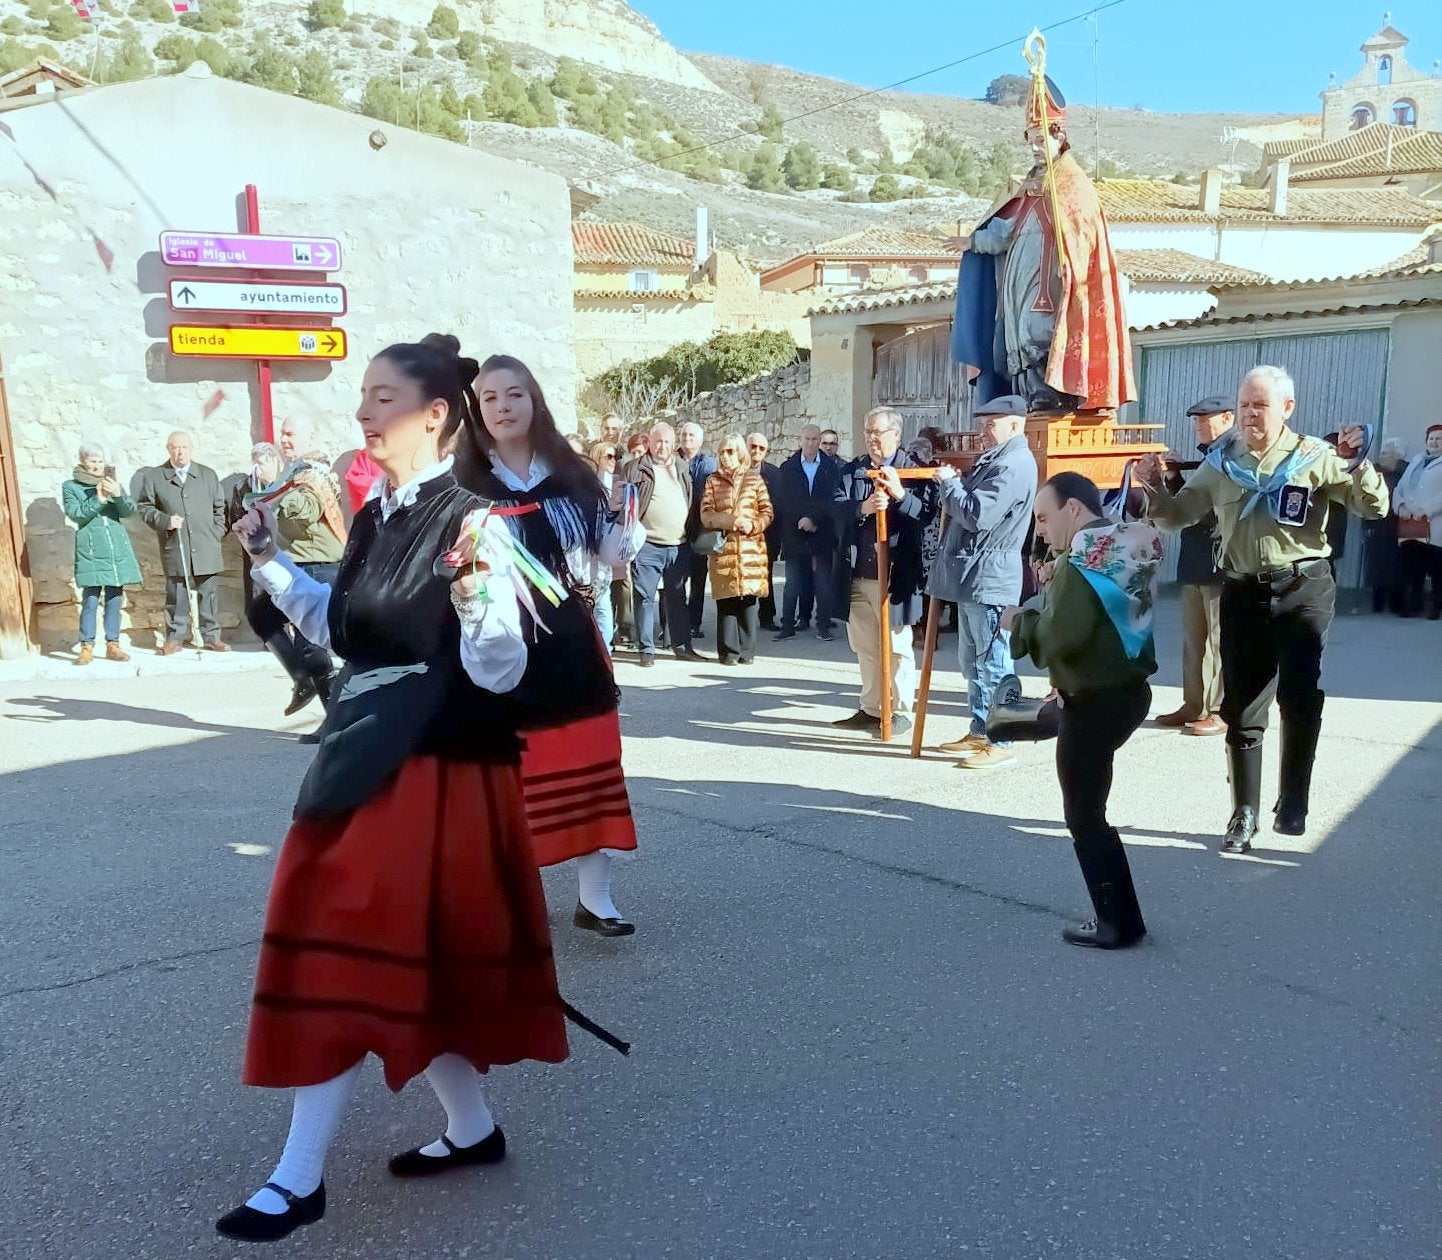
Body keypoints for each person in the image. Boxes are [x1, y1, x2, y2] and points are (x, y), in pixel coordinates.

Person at [218, 334, 570, 1244]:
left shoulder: (478, 523)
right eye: (364, 396)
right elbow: (348, 631)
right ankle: (473, 1129)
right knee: (423, 967)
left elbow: (498, 674)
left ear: (434, 415)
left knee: (338, 952)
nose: (363, 412)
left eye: (381, 397)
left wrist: (477, 607)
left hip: (438, 776)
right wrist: (265, 561)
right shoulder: (376, 514)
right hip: (365, 762)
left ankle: (299, 1178)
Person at [1137, 365, 1389, 851]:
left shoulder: (1314, 456)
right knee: (1243, 705)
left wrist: (1359, 464)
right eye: (1246, 404)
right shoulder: (1221, 462)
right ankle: (1244, 813)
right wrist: (1153, 487)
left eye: (1262, 405)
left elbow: (1372, 507)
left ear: (1287, 408)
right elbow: (1176, 516)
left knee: (1298, 696)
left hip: (1304, 587)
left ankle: (1293, 799)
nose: (1251, 414)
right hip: (1243, 590)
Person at [458, 356, 644, 934]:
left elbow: (609, 557)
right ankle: (512, 902)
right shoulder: (464, 487)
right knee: (514, 772)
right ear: (477, 410)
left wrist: (627, 535)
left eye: (515, 394)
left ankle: (596, 898)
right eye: (490, 398)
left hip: (568, 634)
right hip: (500, 637)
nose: (504, 406)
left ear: (535, 401)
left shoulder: (574, 475)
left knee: (590, 760)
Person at [1003, 472, 1161, 948]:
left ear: (1073, 508)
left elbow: (1062, 637)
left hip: (1094, 700)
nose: (1041, 530)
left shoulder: (1081, 560)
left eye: (1044, 518)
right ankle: (1122, 917)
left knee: (1085, 816)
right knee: (1091, 803)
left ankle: (1116, 922)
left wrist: (1022, 621)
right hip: (1128, 692)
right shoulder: (1123, 541)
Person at [953, 67, 1133, 412]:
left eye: (1041, 140)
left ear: (1059, 137)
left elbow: (1081, 237)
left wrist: (1072, 272)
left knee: (1040, 337)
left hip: (1050, 285)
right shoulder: (1031, 184)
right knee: (1017, 339)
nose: (1036, 148)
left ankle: (1050, 396)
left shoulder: (1074, 185)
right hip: (1018, 285)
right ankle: (1025, 398)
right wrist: (973, 242)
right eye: (1031, 141)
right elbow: (1007, 229)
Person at [928, 395, 1038, 770]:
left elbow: (978, 515)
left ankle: (1003, 737)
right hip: (975, 574)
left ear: (1013, 425)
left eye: (990, 424)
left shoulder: (1013, 464)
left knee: (992, 662)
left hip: (990, 575)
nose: (982, 430)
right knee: (972, 662)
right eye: (983, 423)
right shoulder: (999, 460)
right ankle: (980, 729)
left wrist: (949, 485)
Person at [831, 406, 936, 737]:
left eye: (878, 433)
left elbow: (927, 514)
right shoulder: (854, 470)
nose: (872, 439)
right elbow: (834, 508)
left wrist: (900, 495)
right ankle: (873, 707)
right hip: (858, 573)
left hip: (895, 577)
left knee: (897, 646)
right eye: (867, 433)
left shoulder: (915, 470)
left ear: (896, 434)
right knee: (865, 646)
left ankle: (900, 708)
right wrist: (862, 508)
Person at [245, 433, 347, 718]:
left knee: (311, 647)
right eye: (284, 435)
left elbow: (307, 510)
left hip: (320, 563)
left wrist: (274, 499)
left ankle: (334, 719)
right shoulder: (288, 476)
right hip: (295, 563)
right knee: (261, 614)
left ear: (309, 437)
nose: (285, 440)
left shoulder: (315, 474)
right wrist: (269, 491)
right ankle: (302, 679)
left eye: (292, 434)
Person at [1153, 396, 1234, 738]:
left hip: (1219, 558)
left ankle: (1218, 709)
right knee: (1194, 639)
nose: (1198, 425)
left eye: (1206, 419)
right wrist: (1173, 480)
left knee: (1218, 639)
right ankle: (1194, 703)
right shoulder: (1208, 458)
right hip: (1196, 557)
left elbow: (1214, 505)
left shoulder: (1232, 455)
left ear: (1228, 418)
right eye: (1197, 420)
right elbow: (1189, 503)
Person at [134, 431, 228, 654]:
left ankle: (211, 636)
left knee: (209, 594)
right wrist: (165, 521)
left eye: (184, 447)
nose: (180, 452)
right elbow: (145, 509)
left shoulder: (207, 475)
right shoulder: (155, 477)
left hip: (206, 545)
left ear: (191, 449)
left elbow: (220, 507)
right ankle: (175, 638)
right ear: (168, 449)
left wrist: (216, 532)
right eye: (175, 447)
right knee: (177, 595)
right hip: (176, 545)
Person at [625, 422, 704, 667]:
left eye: (667, 442)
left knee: (678, 597)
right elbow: (625, 505)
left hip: (678, 545)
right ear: (649, 442)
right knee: (644, 597)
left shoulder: (681, 467)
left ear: (673, 444)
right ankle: (646, 650)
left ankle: (682, 646)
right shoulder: (635, 468)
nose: (662, 446)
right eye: (658, 441)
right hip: (648, 544)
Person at [62, 442, 141, 664]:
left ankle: (113, 644)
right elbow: (76, 515)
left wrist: (117, 495)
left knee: (115, 597)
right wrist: (98, 498)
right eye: (92, 462)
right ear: (83, 463)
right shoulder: (71, 486)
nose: (97, 466)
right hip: (91, 549)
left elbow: (128, 512)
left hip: (115, 547)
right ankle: (86, 645)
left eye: (99, 461)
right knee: (90, 598)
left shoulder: (113, 482)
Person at [700, 433, 775, 665]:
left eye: (730, 451)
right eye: (722, 452)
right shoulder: (712, 481)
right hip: (724, 547)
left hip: (751, 547)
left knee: (748, 600)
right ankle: (728, 652)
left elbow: (767, 512)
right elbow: (706, 515)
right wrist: (731, 521)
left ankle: (748, 651)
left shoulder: (754, 480)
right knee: (726, 599)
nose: (725, 456)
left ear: (740, 453)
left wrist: (753, 524)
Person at [775, 423, 840, 642]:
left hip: (822, 532)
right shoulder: (788, 467)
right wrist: (800, 520)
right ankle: (787, 625)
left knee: (822, 582)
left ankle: (823, 626)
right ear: (800, 440)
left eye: (815, 440)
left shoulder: (830, 468)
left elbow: (831, 499)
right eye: (807, 439)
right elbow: (785, 501)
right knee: (792, 582)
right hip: (795, 533)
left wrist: (813, 520)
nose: (811, 443)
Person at [1393, 423, 1442, 619]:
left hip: (1434, 523)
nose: (1434, 442)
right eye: (1431, 438)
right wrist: (1401, 506)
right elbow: (1400, 488)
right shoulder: (1416, 460)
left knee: (1437, 570)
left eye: (1439, 438)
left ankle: (1435, 608)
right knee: (1413, 568)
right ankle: (1413, 605)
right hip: (1411, 523)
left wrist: (1426, 509)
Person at [677, 421, 717, 640]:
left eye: (692, 435)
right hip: (676, 530)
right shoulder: (672, 461)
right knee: (676, 581)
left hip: (699, 529)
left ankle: (694, 622)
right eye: (684, 434)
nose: (687, 438)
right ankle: (676, 623)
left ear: (700, 440)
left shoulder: (708, 464)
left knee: (699, 581)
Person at [1363, 438, 1408, 614]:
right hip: (1378, 524)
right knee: (1377, 564)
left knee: (1399, 565)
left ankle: (1398, 603)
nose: (1380, 456)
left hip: (1401, 524)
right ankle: (1378, 603)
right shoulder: (1373, 471)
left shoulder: (1406, 472)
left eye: (1384, 453)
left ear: (1396, 456)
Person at [589, 440, 625, 652]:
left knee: (604, 603)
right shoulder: (588, 486)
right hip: (589, 551)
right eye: (608, 457)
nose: (613, 461)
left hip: (607, 551)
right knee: (595, 605)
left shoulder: (615, 483)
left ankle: (605, 651)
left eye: (615, 457)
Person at [746, 431, 782, 630]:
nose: (756, 451)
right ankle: (745, 617)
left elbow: (779, 505)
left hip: (767, 534)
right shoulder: (736, 470)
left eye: (761, 448)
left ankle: (767, 616)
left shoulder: (774, 474)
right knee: (744, 576)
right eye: (753, 447)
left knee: (765, 575)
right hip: (742, 534)